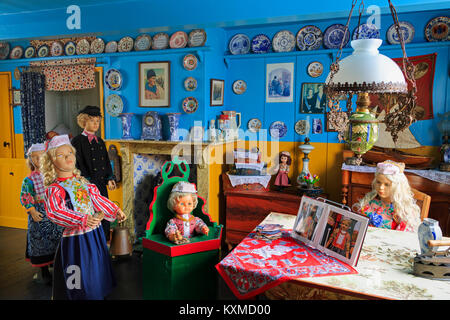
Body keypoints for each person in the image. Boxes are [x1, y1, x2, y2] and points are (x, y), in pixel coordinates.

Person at [41, 134, 127, 300]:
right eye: (61, 155)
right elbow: (55, 211)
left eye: (70, 153)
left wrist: (114, 210)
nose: (68, 157)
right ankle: (79, 295)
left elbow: (97, 199)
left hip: (94, 233)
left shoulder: (83, 182)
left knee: (96, 265)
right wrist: (82, 219)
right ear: (51, 161)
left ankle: (96, 292)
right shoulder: (55, 189)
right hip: (76, 239)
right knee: (78, 269)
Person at [20, 143, 63, 285]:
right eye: (35, 157)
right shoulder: (29, 180)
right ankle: (43, 270)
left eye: (41, 157)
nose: (39, 160)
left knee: (55, 237)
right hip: (39, 212)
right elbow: (26, 196)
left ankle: (54, 264)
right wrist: (31, 210)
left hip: (52, 211)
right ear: (31, 160)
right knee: (40, 240)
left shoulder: (51, 175)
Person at [71, 106, 116, 241]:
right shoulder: (77, 141)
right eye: (92, 121)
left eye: (98, 121)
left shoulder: (100, 141)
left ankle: (104, 239)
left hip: (101, 183)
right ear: (84, 122)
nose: (96, 124)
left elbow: (106, 161)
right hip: (87, 184)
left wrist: (110, 178)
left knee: (103, 210)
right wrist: (85, 180)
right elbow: (77, 163)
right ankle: (91, 240)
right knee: (91, 212)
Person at [354, 160, 421, 232]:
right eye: (378, 182)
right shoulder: (370, 201)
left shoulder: (403, 211)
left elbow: (402, 238)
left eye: (387, 184)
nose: (381, 187)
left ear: (397, 186)